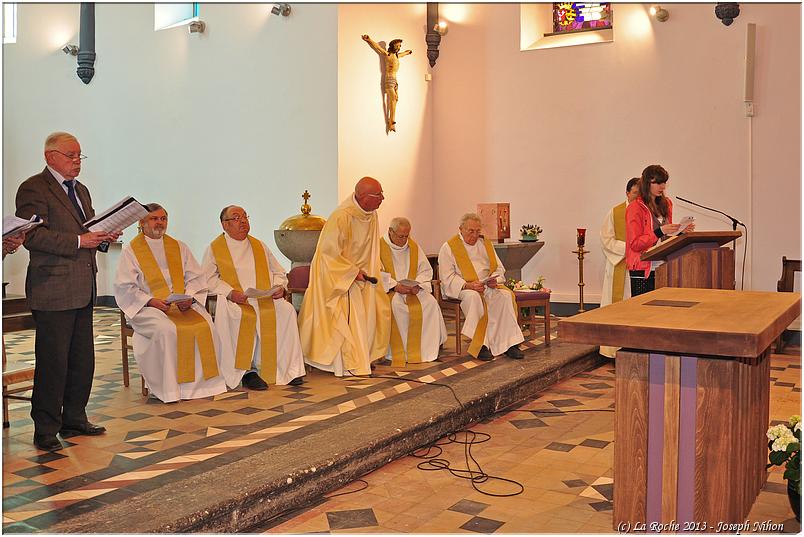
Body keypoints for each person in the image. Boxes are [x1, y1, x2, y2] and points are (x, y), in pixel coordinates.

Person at [15, 131, 120, 452]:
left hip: (83, 285)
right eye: (71, 156)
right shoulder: (34, 188)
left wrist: (103, 236)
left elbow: (85, 230)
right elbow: (32, 237)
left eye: (79, 156)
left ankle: (74, 417)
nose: (77, 162)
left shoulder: (81, 190)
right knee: (53, 361)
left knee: (81, 359)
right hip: (53, 287)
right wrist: (80, 241)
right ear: (50, 157)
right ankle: (45, 428)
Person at [114, 204, 227, 403]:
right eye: (154, 219)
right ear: (142, 222)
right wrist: (150, 300)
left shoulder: (179, 247)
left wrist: (189, 297)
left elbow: (196, 277)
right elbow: (125, 287)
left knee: (207, 325)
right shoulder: (131, 251)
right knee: (167, 330)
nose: (160, 223)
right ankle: (169, 389)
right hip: (147, 308)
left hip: (180, 304)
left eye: (163, 218)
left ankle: (202, 385)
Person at [202, 205, 306, 391]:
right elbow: (208, 278)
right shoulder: (214, 248)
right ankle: (247, 371)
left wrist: (279, 287)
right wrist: (230, 293)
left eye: (244, 217)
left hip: (264, 298)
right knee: (239, 316)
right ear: (224, 225)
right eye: (236, 218)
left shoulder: (259, 245)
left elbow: (278, 271)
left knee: (286, 310)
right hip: (237, 300)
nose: (242, 221)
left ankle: (287, 369)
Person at [298, 177, 391, 377]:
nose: (382, 198)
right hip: (340, 278)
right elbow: (327, 254)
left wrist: (373, 270)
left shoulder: (371, 214)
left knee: (375, 310)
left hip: (365, 276)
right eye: (378, 195)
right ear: (363, 197)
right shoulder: (341, 216)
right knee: (350, 313)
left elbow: (370, 247)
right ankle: (344, 362)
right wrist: (351, 272)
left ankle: (361, 356)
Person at [438, 213, 525, 361]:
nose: (475, 235)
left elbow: (498, 267)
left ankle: (509, 344)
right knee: (473, 299)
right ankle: (480, 345)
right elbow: (447, 277)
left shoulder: (486, 244)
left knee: (504, 297)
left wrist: (494, 280)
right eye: (471, 231)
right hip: (464, 288)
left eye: (478, 231)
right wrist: (467, 285)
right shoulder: (449, 247)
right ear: (461, 229)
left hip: (487, 285)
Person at [380, 217, 447, 366]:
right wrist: (395, 285)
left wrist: (418, 284)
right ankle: (398, 352)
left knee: (430, 303)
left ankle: (427, 350)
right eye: (401, 236)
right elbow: (376, 272)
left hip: (413, 290)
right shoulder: (378, 246)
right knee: (397, 307)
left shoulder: (413, 247)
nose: (404, 240)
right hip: (391, 291)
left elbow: (425, 269)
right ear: (391, 231)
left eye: (407, 236)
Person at [626, 164, 694, 296]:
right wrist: (660, 231)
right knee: (644, 312)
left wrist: (679, 232)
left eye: (664, 182)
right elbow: (635, 243)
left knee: (663, 312)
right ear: (646, 183)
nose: (662, 187)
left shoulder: (666, 203)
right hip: (643, 268)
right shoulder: (635, 208)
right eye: (657, 183)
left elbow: (664, 238)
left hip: (664, 266)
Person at [599, 178, 639, 358]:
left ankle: (636, 349)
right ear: (627, 193)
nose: (637, 197)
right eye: (635, 193)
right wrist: (630, 248)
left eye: (641, 194)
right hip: (620, 266)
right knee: (618, 306)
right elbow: (606, 239)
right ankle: (613, 351)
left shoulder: (645, 213)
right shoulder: (616, 212)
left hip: (641, 267)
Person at [361, 34, 412, 132]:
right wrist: (369, 40)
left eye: (400, 46)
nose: (398, 48)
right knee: (392, 99)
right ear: (392, 46)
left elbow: (403, 54)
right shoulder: (387, 54)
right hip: (389, 79)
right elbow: (377, 47)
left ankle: (392, 120)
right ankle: (391, 121)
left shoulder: (397, 55)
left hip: (395, 80)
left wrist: (408, 52)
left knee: (396, 99)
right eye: (397, 46)